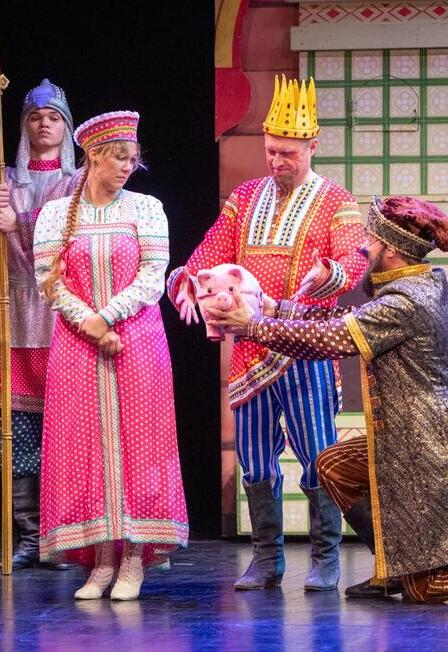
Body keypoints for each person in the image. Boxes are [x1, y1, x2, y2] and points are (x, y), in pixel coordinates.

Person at [167, 75, 366, 591]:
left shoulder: (336, 201)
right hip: (251, 349)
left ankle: (325, 557)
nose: (277, 161)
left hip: (304, 349)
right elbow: (212, 249)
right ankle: (266, 558)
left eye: (288, 153)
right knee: (255, 462)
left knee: (318, 457)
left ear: (312, 146)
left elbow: (355, 259)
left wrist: (330, 273)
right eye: (271, 151)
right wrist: (189, 278)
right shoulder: (245, 197)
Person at [207, 195, 448, 604]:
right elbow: (337, 320)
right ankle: (392, 565)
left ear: (391, 249)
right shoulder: (420, 283)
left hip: (420, 443)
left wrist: (255, 325)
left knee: (424, 593)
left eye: (371, 239)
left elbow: (329, 338)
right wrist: (275, 308)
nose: (363, 248)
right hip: (401, 436)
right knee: (334, 465)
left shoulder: (405, 301)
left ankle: (423, 571)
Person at [33, 111, 188, 600]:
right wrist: (90, 323)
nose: (126, 167)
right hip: (77, 343)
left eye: (132, 159)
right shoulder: (56, 214)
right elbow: (48, 280)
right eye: (119, 157)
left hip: (136, 338)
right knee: (86, 447)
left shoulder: (147, 208)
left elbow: (153, 275)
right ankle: (101, 560)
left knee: (140, 446)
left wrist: (108, 317)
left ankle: (135, 557)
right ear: (93, 155)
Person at [0, 78, 79, 570]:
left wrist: (18, 223)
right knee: (20, 431)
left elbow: (68, 233)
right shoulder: (6, 180)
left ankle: (62, 534)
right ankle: (30, 533)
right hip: (15, 317)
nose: (44, 124)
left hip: (62, 315)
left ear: (66, 127)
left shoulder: (78, 181)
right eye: (34, 117)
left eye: (53, 117)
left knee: (64, 431)